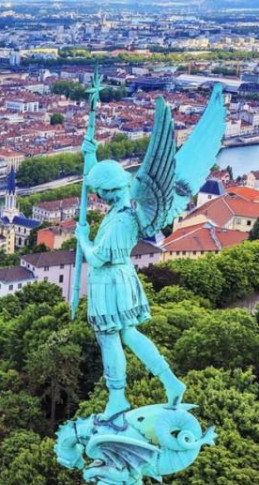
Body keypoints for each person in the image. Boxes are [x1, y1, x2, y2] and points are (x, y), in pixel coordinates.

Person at [75, 152, 186, 420]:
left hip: (109, 280)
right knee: (129, 334)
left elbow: (97, 258)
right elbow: (97, 179)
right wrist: (91, 157)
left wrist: (82, 238)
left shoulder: (122, 220)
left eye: (100, 192)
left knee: (109, 338)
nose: (98, 197)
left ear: (110, 190)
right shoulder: (124, 208)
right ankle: (170, 382)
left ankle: (117, 398)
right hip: (119, 277)